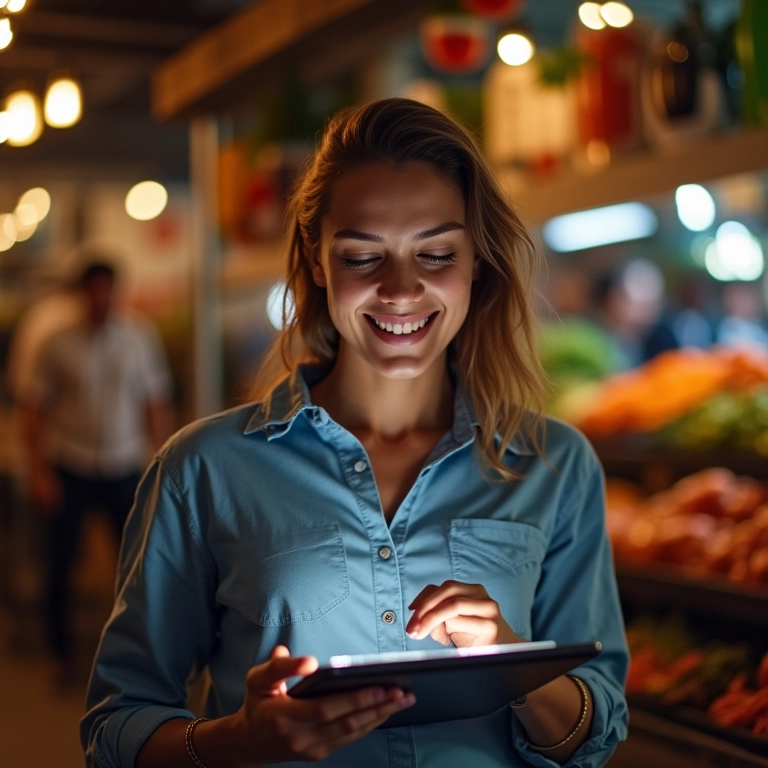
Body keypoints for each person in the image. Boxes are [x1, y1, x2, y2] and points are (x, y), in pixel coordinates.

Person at [81, 98, 628, 767]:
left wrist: (513, 662)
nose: (401, 289)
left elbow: (594, 732)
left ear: (477, 260)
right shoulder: (203, 469)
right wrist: (238, 741)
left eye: (435, 252)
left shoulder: (555, 465)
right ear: (317, 261)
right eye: (364, 256)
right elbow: (117, 727)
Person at [18, 258, 174, 685]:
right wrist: (39, 471)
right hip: (71, 462)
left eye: (109, 289)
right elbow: (35, 408)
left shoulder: (138, 337)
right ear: (82, 294)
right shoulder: (57, 343)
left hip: (122, 463)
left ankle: (137, 654)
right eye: (95, 290)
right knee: (62, 562)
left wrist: (160, 460)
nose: (103, 298)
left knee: (135, 562)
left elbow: (154, 400)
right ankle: (59, 653)